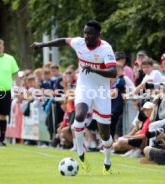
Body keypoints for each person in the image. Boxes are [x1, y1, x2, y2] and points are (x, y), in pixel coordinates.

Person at [31, 20, 117, 175]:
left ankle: (107, 162)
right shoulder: (79, 43)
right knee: (79, 116)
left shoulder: (106, 49)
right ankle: (80, 154)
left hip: (101, 91)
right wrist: (42, 44)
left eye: (89, 33)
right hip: (84, 87)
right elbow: (62, 41)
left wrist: (95, 70)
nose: (86, 36)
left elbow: (113, 72)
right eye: (85, 33)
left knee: (105, 133)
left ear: (98, 34)